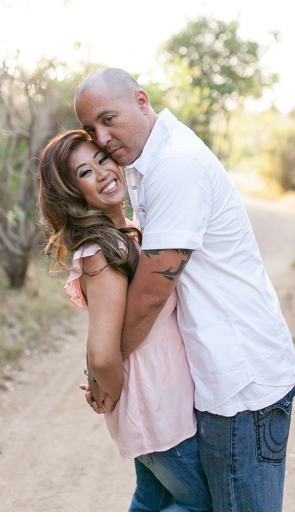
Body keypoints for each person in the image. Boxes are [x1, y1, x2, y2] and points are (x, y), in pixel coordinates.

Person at [74, 67, 295, 512]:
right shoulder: (149, 165)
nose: (100, 137)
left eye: (108, 119)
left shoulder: (176, 165)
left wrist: (105, 369)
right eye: (90, 129)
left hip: (240, 385)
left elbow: (154, 289)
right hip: (215, 381)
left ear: (141, 100)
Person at [38, 129, 211, 511]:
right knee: (207, 506)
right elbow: (102, 352)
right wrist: (110, 392)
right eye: (84, 172)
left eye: (101, 159)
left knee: (151, 501)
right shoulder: (103, 249)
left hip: (160, 401)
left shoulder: (126, 234)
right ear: (72, 193)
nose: (101, 173)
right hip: (156, 407)